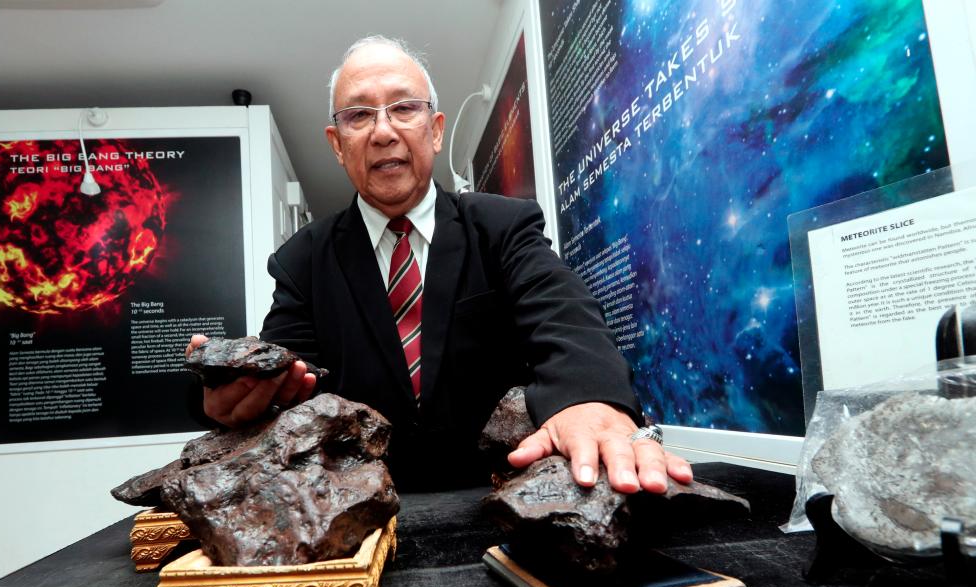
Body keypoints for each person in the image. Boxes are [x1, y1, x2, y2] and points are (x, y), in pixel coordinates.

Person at [189, 35, 692, 493]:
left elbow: (561, 314)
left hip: (502, 497)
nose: (383, 131)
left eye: (403, 108)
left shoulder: (503, 226)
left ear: (434, 131)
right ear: (337, 144)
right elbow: (289, 375)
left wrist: (590, 399)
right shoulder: (301, 262)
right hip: (367, 512)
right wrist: (237, 399)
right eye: (359, 116)